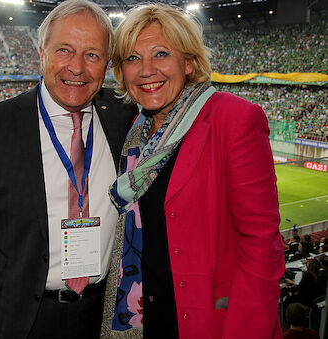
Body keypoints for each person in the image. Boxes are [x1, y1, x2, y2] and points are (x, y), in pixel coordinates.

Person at [0, 1, 137, 338]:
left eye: (92, 55)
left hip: (104, 313)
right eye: (64, 50)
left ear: (107, 64)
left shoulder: (125, 115)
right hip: (24, 316)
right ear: (42, 53)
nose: (77, 68)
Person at [101, 4, 285, 338]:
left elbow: (261, 245)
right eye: (132, 58)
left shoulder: (233, 119)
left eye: (161, 54)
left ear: (188, 62)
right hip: (144, 318)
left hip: (206, 321)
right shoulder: (135, 131)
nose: (146, 70)